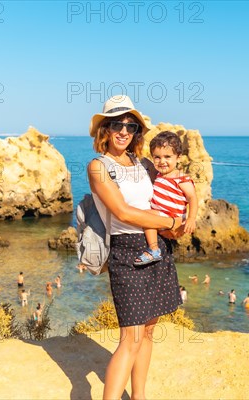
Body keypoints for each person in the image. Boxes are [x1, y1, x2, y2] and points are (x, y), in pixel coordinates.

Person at [87, 95, 185, 400]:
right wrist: (169, 221)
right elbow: (123, 212)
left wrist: (184, 216)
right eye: (117, 123)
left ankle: (139, 396)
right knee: (131, 336)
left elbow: (168, 188)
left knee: (149, 330)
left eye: (130, 125)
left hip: (158, 246)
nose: (124, 131)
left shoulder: (144, 163)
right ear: (105, 127)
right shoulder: (98, 167)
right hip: (128, 252)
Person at [133, 131, 198, 266]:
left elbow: (192, 198)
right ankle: (155, 247)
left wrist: (191, 219)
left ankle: (154, 249)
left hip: (172, 217)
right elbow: (144, 162)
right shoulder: (158, 175)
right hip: (162, 223)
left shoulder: (181, 178)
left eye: (167, 157)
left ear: (178, 158)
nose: (162, 161)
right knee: (146, 216)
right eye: (157, 157)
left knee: (144, 216)